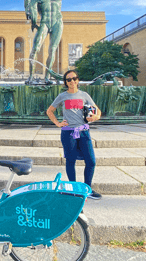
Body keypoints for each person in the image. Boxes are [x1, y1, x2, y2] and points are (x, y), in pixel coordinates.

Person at [22, 0, 102, 84]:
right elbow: (30, 8)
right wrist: (29, 10)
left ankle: (47, 77)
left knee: (52, 49)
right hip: (44, 22)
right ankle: (31, 77)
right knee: (35, 48)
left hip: (57, 22)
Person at [46, 70, 102, 199]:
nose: (72, 81)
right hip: (68, 133)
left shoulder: (84, 95)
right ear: (65, 82)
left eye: (74, 78)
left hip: (83, 131)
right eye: (68, 79)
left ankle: (87, 189)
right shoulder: (62, 96)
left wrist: (96, 117)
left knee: (91, 161)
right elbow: (50, 111)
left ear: (78, 80)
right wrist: (57, 123)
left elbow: (97, 110)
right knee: (70, 161)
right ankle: (73, 189)